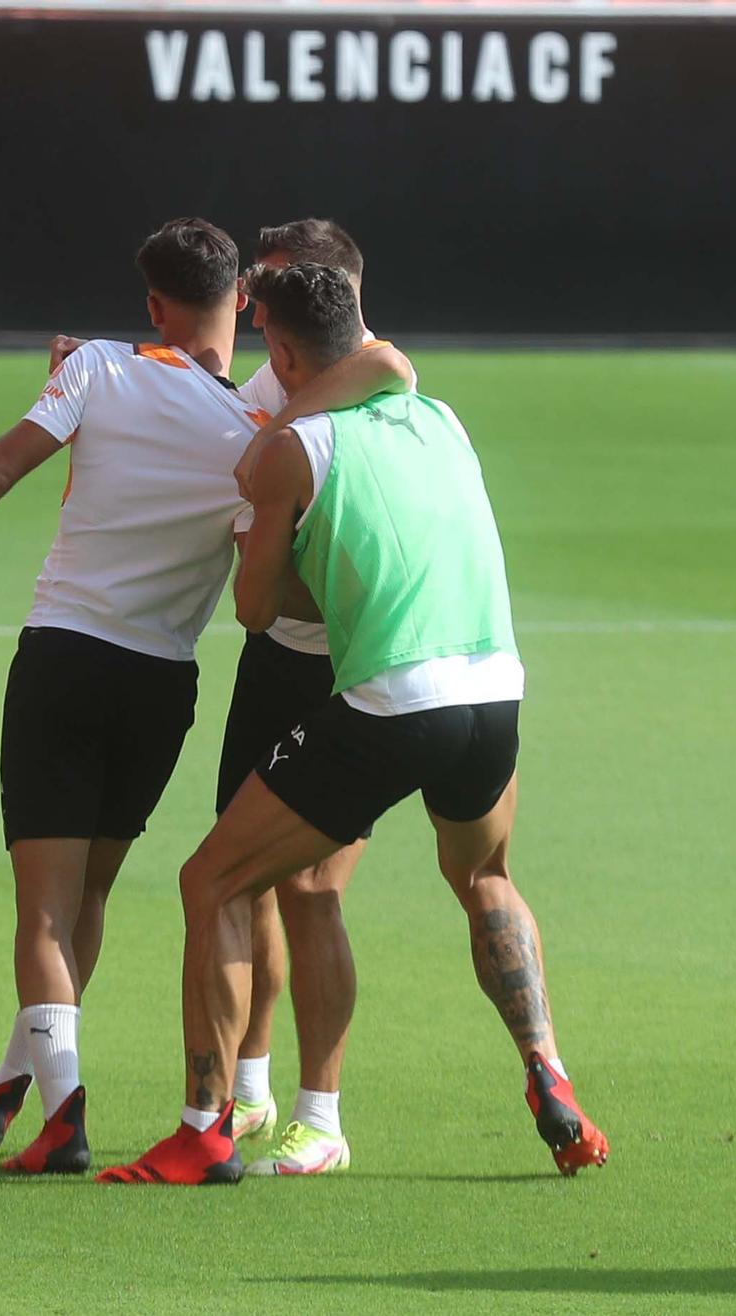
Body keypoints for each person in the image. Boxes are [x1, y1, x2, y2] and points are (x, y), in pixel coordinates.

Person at [0, 219, 410, 1175]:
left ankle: (62, 1115)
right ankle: (13, 1090)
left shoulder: (101, 369)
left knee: (44, 913)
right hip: (164, 685)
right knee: (90, 893)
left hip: (67, 657)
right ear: (244, 306)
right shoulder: (261, 437)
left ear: (152, 304)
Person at [98, 263, 608, 1186]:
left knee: (211, 880)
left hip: (394, 701)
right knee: (485, 877)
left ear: (283, 355)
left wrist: (263, 525)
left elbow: (256, 614)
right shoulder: (441, 419)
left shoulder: (297, 451)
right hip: (493, 688)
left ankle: (205, 1129)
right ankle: (549, 1071)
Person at [220, 219, 404, 1174]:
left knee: (310, 888)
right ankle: (247, 1091)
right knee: (240, 872)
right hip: (274, 665)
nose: (256, 302)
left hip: (348, 671)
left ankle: (321, 1114)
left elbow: (392, 367)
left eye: (276, 285)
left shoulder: (377, 377)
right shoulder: (267, 380)